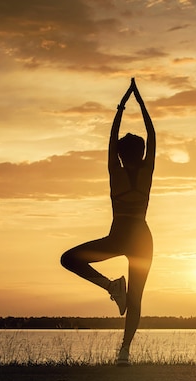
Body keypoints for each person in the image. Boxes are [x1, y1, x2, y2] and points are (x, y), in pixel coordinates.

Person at [60, 78, 155, 366]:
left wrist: (121, 107)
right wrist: (140, 103)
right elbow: (152, 135)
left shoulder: (115, 170)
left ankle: (111, 289)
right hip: (141, 237)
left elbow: (112, 140)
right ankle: (124, 349)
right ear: (139, 154)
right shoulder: (147, 170)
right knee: (135, 298)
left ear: (121, 155)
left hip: (122, 236)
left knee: (69, 259)